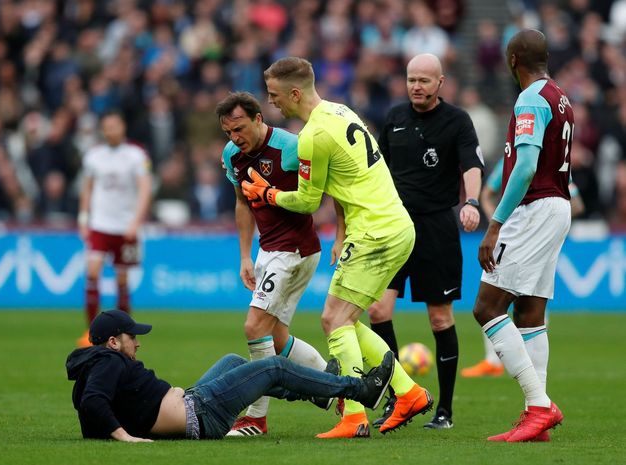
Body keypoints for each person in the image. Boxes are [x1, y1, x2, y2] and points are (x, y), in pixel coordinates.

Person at [242, 56, 433, 438]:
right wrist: (343, 232)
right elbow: (350, 178)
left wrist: (267, 193)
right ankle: (408, 392)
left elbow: (308, 202)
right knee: (346, 319)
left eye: (275, 95)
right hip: (394, 225)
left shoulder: (313, 136)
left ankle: (354, 414)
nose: (271, 102)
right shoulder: (340, 110)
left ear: (295, 93)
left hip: (375, 232)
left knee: (334, 321)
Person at [368, 53, 484, 430]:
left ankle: (445, 411)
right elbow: (376, 170)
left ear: (440, 83)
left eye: (424, 80)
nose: (416, 86)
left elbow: (471, 164)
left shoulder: (457, 121)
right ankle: (400, 397)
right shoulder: (395, 119)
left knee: (439, 318)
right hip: (395, 227)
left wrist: (471, 202)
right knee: (378, 312)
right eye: (411, 79)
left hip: (436, 229)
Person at [65, 310, 395, 441]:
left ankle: (318, 392)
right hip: (202, 414)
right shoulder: (107, 361)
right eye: (131, 337)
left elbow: (89, 409)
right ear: (112, 342)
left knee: (234, 361)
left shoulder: (96, 363)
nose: (137, 342)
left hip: (194, 402)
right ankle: (361, 389)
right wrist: (125, 436)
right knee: (273, 367)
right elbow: (93, 402)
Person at [473, 29, 572, 442]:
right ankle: (537, 419)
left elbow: (527, 165)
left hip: (534, 208)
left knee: (487, 307)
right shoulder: (561, 97)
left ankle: (538, 405)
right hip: (557, 205)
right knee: (530, 314)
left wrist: (495, 224)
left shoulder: (530, 98)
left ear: (512, 59)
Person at [216, 91, 331, 437]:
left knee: (254, 328)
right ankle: (338, 392)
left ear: (258, 119)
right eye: (228, 133)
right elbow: (242, 203)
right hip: (269, 249)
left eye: (239, 129)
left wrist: (338, 233)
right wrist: (244, 255)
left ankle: (256, 419)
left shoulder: (292, 147)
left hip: (295, 249)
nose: (235, 139)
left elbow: (328, 190)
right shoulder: (232, 155)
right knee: (277, 339)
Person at [461, 157, 584, 378]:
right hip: (517, 231)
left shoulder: (545, 160)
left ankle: (523, 372)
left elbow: (576, 204)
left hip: (538, 231)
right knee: (507, 296)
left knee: (512, 300)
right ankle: (502, 363)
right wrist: (499, 222)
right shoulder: (513, 158)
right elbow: (487, 194)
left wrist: (548, 225)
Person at [76, 111, 152, 348]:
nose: (111, 131)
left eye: (115, 126)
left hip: (125, 226)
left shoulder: (136, 155)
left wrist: (136, 222)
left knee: (122, 279)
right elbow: (87, 188)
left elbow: (145, 189)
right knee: (92, 273)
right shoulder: (94, 156)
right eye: (107, 127)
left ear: (123, 127)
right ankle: (92, 333)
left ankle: (123, 333)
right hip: (100, 224)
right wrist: (83, 218)